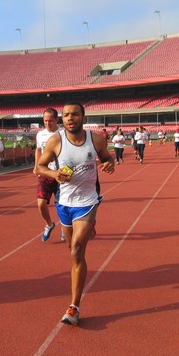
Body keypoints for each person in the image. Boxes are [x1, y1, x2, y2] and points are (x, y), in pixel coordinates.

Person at [35, 101, 115, 326]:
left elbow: (109, 158)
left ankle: (74, 306)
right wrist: (54, 173)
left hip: (87, 201)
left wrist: (110, 163)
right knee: (72, 251)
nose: (70, 118)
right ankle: (86, 231)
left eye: (75, 114)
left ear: (84, 117)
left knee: (77, 249)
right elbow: (39, 167)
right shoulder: (56, 141)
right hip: (64, 203)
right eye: (66, 115)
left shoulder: (96, 139)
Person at [33, 108, 64, 242]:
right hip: (45, 172)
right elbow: (38, 150)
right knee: (41, 204)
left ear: (57, 120)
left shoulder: (63, 133)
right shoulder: (40, 135)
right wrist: (37, 166)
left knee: (61, 205)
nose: (47, 123)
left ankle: (65, 226)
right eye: (45, 120)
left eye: (50, 120)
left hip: (60, 173)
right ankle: (49, 224)